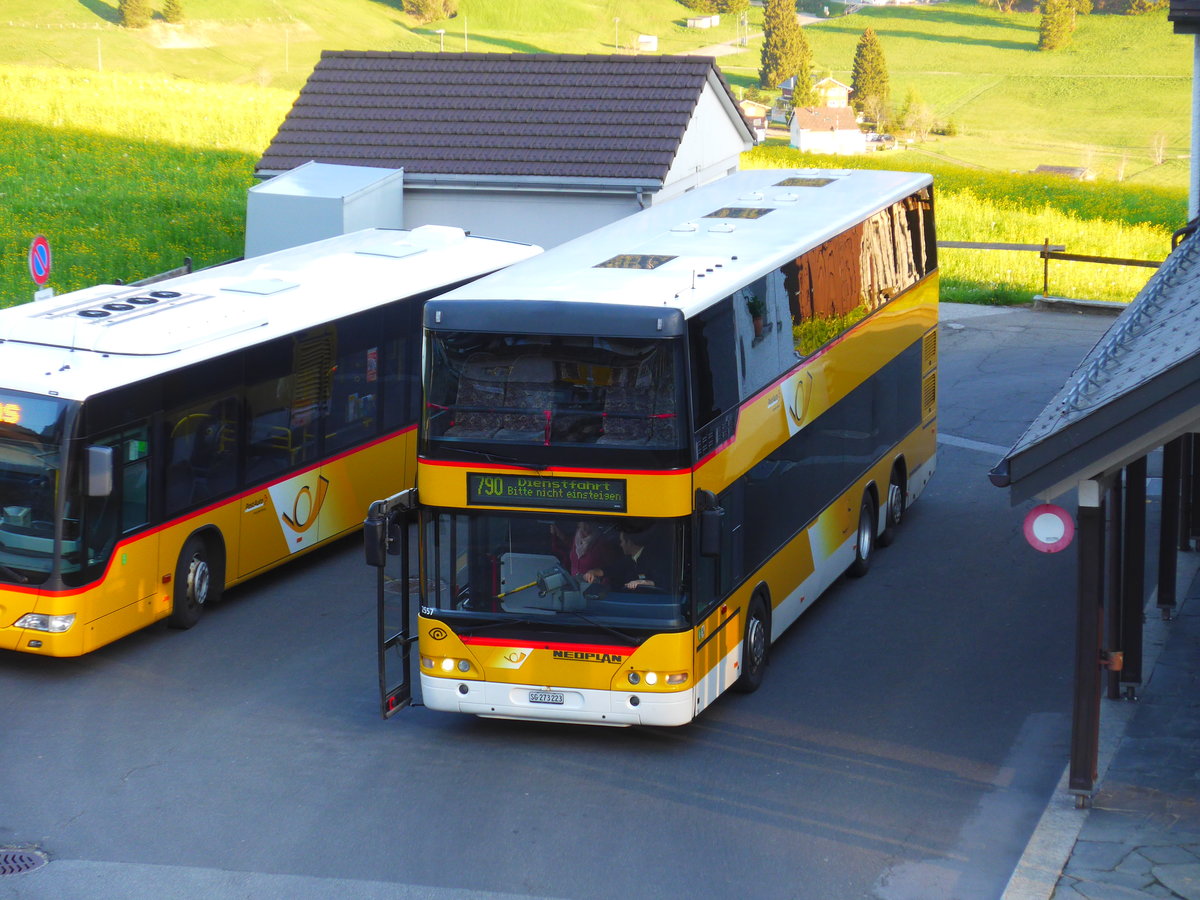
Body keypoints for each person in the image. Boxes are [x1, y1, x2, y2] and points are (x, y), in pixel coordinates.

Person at [550, 520, 620, 585]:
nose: (585, 527)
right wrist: (556, 532)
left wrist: (595, 574)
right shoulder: (576, 537)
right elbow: (567, 543)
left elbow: (610, 569)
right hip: (574, 586)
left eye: (588, 523)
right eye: (582, 522)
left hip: (592, 589)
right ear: (578, 524)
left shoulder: (602, 543)